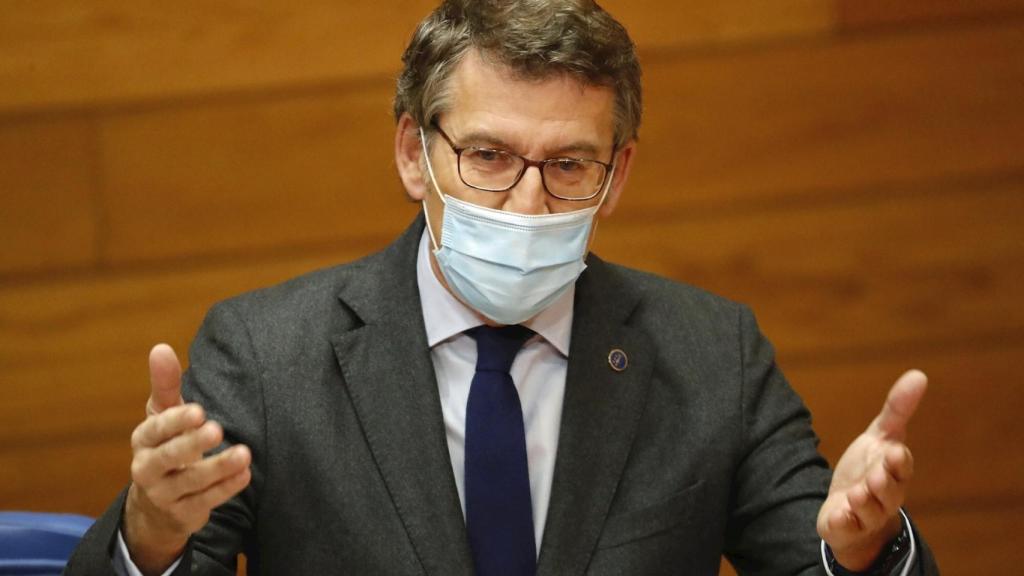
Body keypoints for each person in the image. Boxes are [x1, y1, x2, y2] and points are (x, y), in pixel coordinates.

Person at [66, 1, 940, 575]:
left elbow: (820, 550)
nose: (527, 201)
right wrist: (152, 537)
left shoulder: (714, 356)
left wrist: (864, 550)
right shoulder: (268, 354)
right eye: (487, 156)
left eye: (568, 164)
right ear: (415, 153)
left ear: (618, 173)